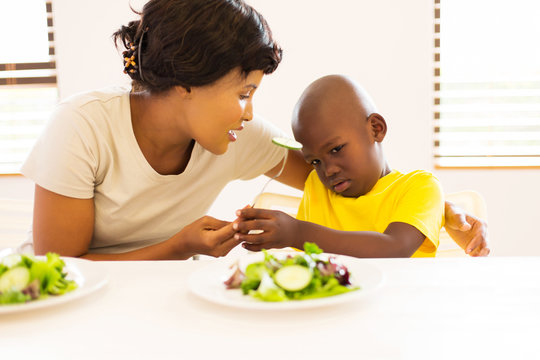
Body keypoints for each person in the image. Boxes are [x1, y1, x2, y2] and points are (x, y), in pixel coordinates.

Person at [20, 0, 486, 261]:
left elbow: (345, 173)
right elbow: (58, 267)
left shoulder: (238, 139)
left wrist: (439, 211)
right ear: (187, 82)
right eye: (243, 92)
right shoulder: (82, 127)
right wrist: (177, 246)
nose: (249, 113)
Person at [233, 75, 489, 257]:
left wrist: (297, 232)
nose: (328, 170)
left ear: (376, 129)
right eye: (315, 161)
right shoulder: (317, 186)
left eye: (336, 150)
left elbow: (395, 247)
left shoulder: (420, 187)